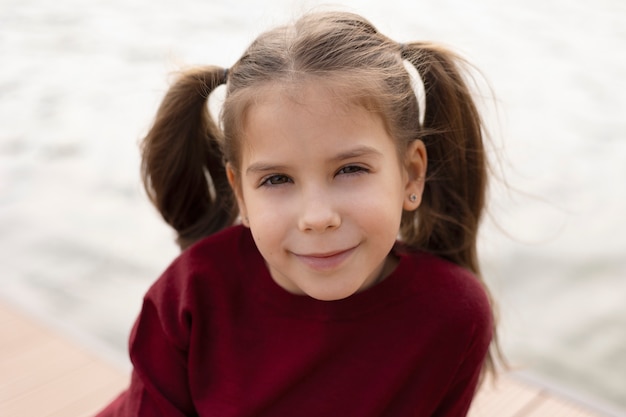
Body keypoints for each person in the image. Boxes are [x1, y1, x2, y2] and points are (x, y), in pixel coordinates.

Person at [96, 10, 501, 417]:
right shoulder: (191, 293)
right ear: (240, 193)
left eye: (350, 169)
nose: (317, 216)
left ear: (411, 175)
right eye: (276, 180)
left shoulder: (453, 314)